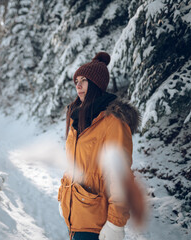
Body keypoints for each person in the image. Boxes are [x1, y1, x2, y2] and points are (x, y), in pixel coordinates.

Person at [58, 52, 140, 240]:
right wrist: (63, 194)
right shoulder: (77, 117)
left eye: (84, 80)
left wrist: (115, 224)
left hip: (97, 223)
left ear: (96, 85)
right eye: (76, 80)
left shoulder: (113, 122)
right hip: (75, 214)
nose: (78, 85)